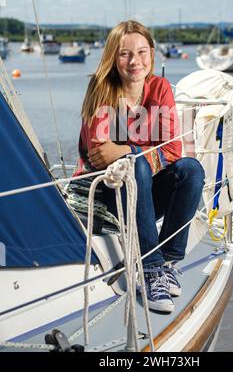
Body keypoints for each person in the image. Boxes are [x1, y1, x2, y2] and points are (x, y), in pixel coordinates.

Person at [74, 20, 205, 313]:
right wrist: (137, 155)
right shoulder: (101, 88)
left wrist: (126, 149)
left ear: (152, 54)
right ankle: (150, 269)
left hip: (144, 194)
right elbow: (99, 157)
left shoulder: (159, 88)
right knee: (136, 167)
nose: (135, 61)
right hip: (107, 193)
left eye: (142, 52)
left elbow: (173, 150)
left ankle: (168, 262)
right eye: (124, 54)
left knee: (191, 169)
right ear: (112, 57)